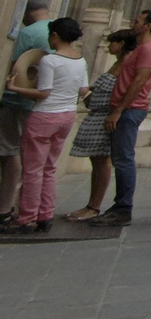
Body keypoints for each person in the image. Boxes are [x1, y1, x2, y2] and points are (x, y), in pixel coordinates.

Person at [3, 17, 90, 233]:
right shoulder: (81, 60)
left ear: (55, 36)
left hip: (45, 115)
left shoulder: (49, 61)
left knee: (32, 170)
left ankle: (27, 217)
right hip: (67, 115)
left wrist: (15, 88)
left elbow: (43, 93)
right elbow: (83, 90)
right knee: (50, 168)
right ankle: (45, 214)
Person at [91, 9, 151, 227]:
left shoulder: (149, 49)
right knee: (120, 158)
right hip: (128, 108)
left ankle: (123, 208)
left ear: (148, 25)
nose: (134, 23)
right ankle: (120, 206)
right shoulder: (143, 48)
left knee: (123, 159)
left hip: (131, 109)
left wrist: (119, 110)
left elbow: (140, 81)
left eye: (138, 21)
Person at [64, 28, 131, 222]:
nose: (109, 46)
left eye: (113, 42)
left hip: (106, 116)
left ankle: (94, 206)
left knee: (102, 162)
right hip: (98, 115)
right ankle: (91, 204)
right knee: (97, 162)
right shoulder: (118, 64)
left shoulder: (126, 65)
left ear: (122, 44)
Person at [0, 0, 51, 223]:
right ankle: (31, 209)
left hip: (16, 100)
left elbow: (12, 66)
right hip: (43, 104)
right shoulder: (58, 31)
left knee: (10, 152)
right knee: (35, 158)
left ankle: (4, 207)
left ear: (28, 12)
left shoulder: (28, 32)